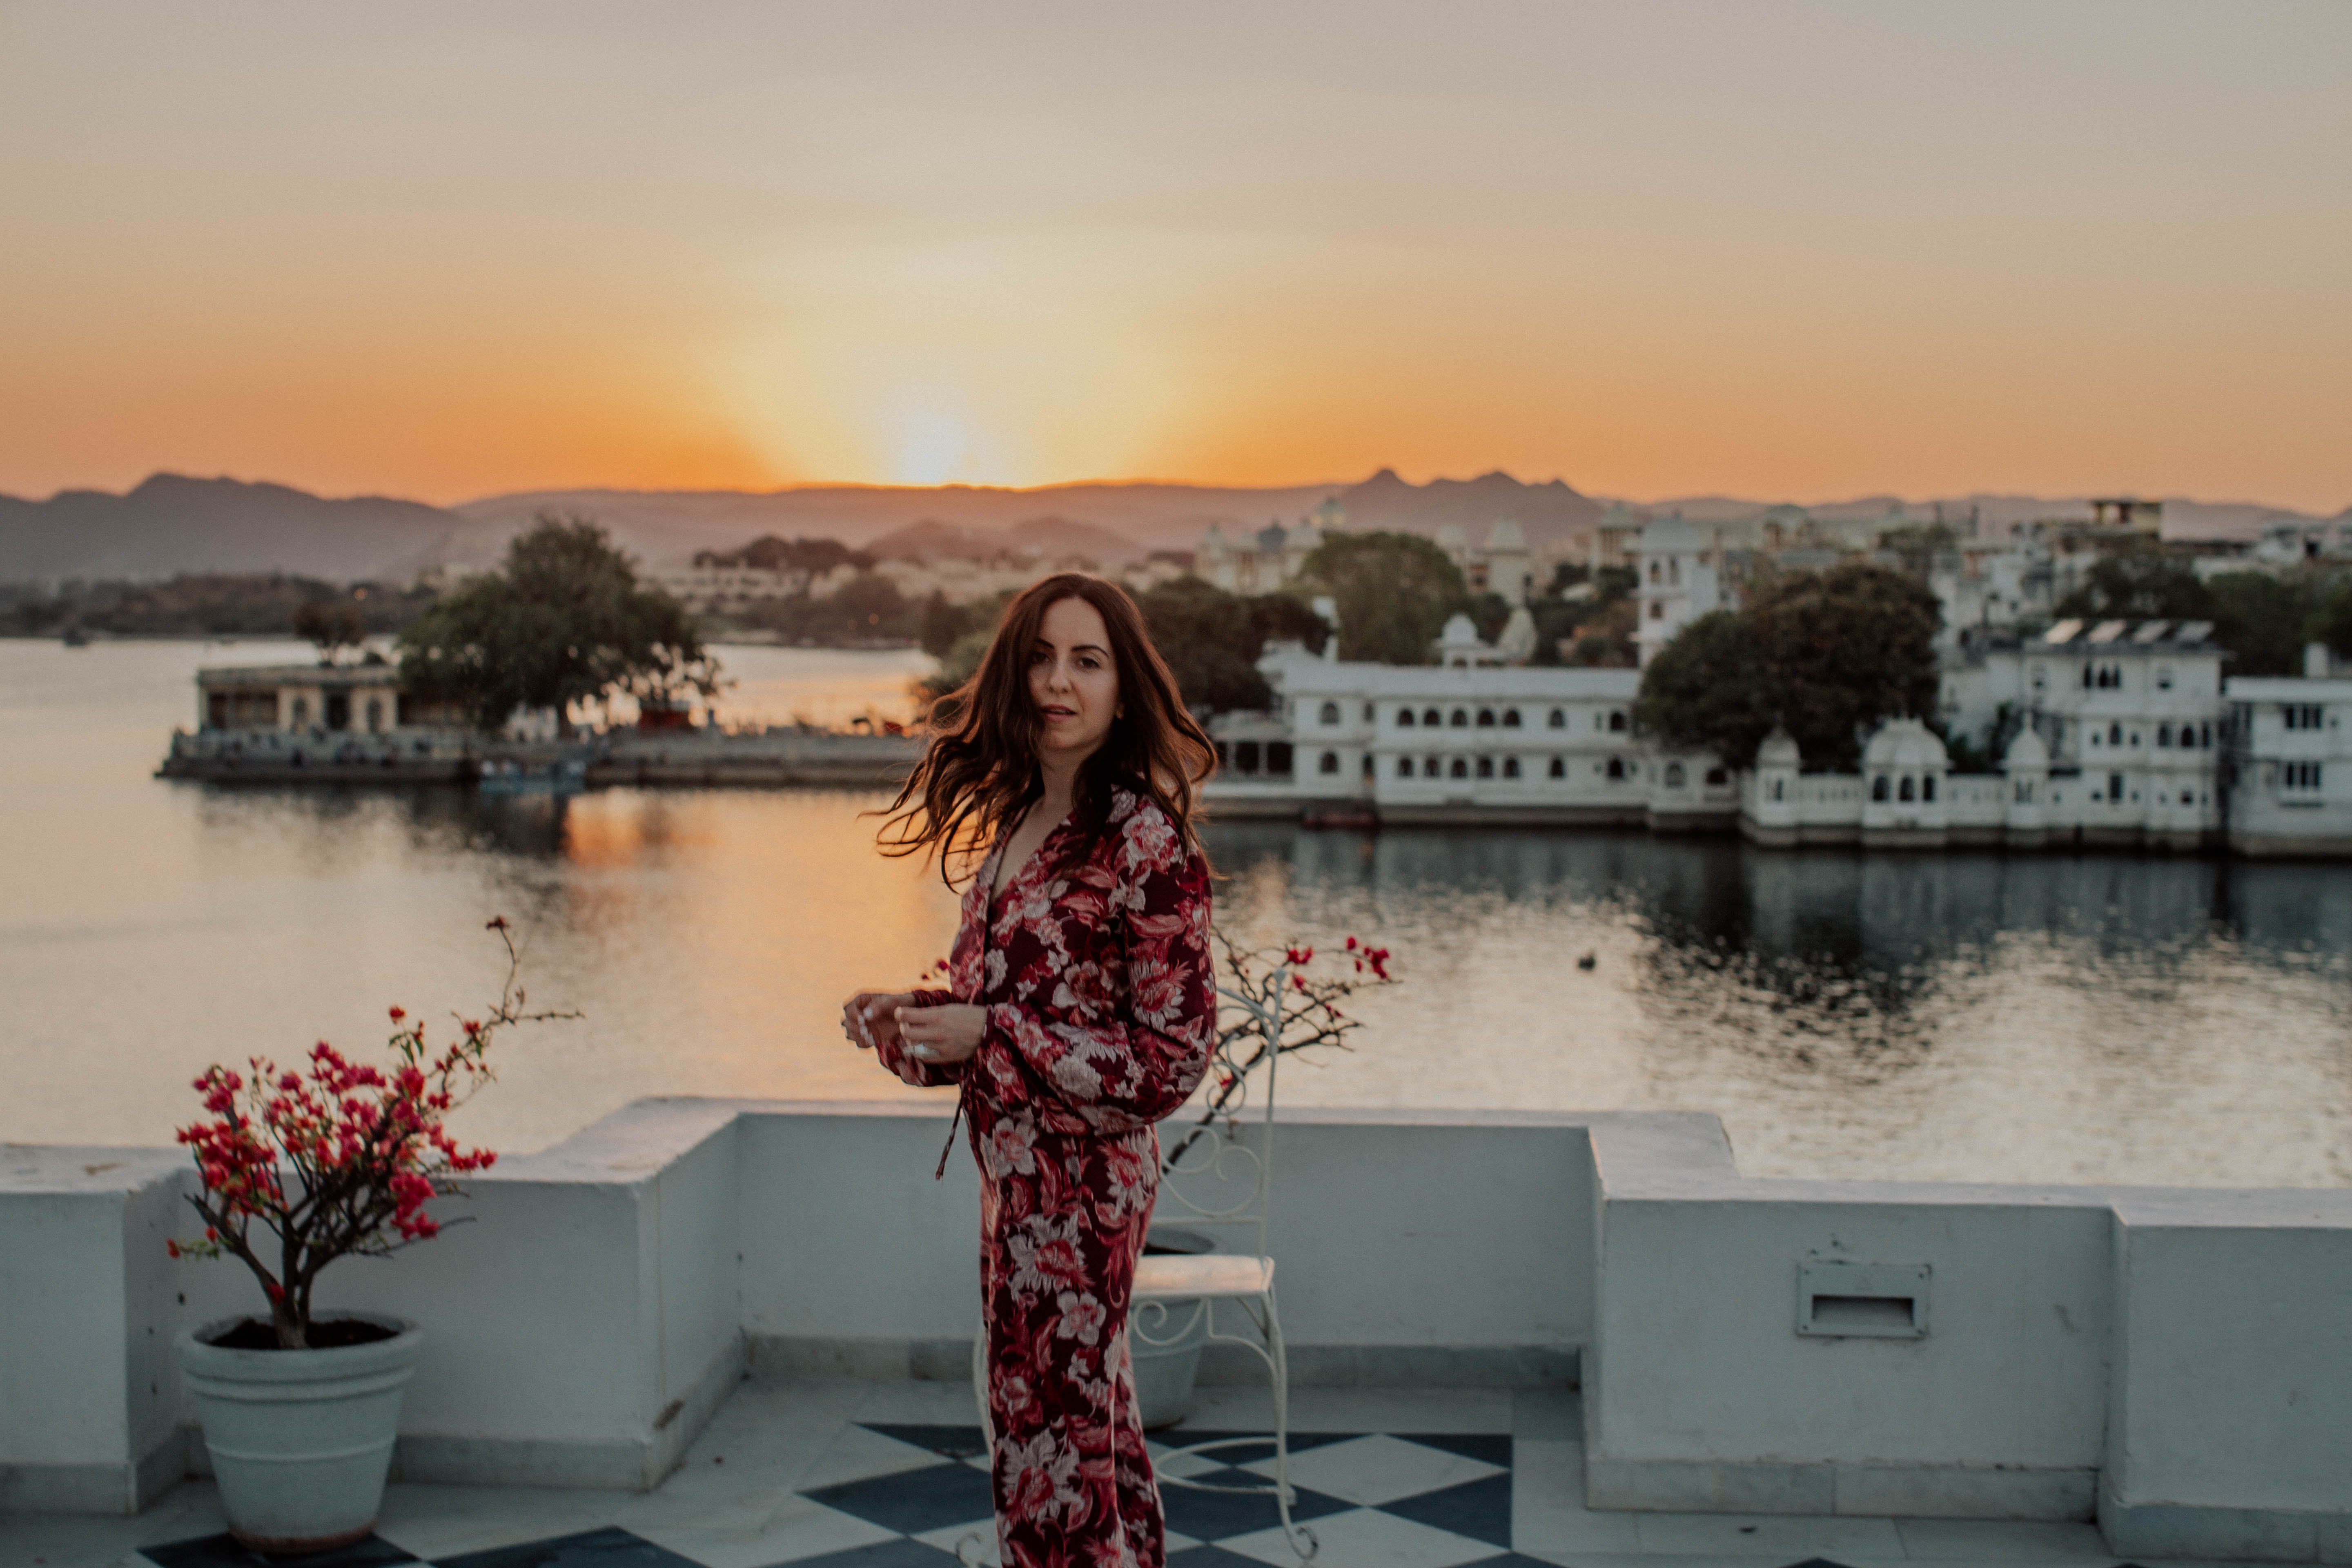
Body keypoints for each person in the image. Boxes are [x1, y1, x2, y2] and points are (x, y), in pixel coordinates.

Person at [842, 573, 1218, 1568]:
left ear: (1124, 689)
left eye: (1087, 661)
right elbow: (999, 1020)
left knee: (1054, 1441)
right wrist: (912, 1020)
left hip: (1087, 1193)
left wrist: (994, 1033)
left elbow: (1171, 1061)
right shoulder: (1014, 830)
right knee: (1073, 1434)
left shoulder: (1145, 841)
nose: (1059, 681)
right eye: (1042, 658)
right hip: (1013, 1187)